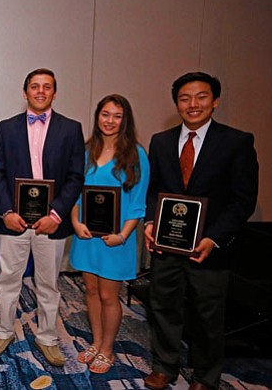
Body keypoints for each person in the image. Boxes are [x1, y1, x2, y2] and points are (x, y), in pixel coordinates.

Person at [143, 72, 258, 390]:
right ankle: (164, 365)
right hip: (167, 245)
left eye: (201, 96)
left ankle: (205, 375)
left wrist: (213, 238)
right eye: (184, 98)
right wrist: (151, 222)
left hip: (209, 248)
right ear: (176, 103)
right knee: (163, 305)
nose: (193, 104)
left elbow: (242, 201)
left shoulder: (237, 142)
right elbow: (154, 191)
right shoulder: (161, 141)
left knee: (207, 314)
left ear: (215, 101)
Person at [0, 68, 85, 366]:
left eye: (46, 87)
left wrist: (56, 214)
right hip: (13, 221)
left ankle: (47, 337)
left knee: (48, 284)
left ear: (54, 92)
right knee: (8, 281)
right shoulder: (6, 127)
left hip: (51, 224)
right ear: (25, 92)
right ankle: (4, 330)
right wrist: (6, 211)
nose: (40, 91)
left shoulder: (71, 128)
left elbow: (75, 176)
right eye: (34, 86)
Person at [68, 94, 150, 374]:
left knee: (108, 296)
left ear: (124, 120)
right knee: (91, 292)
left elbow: (139, 202)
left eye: (117, 116)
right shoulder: (86, 151)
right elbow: (75, 194)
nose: (110, 121)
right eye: (105, 114)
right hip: (87, 236)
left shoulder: (136, 154)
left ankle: (107, 349)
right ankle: (96, 341)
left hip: (116, 240)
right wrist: (75, 222)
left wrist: (124, 235)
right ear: (97, 117)